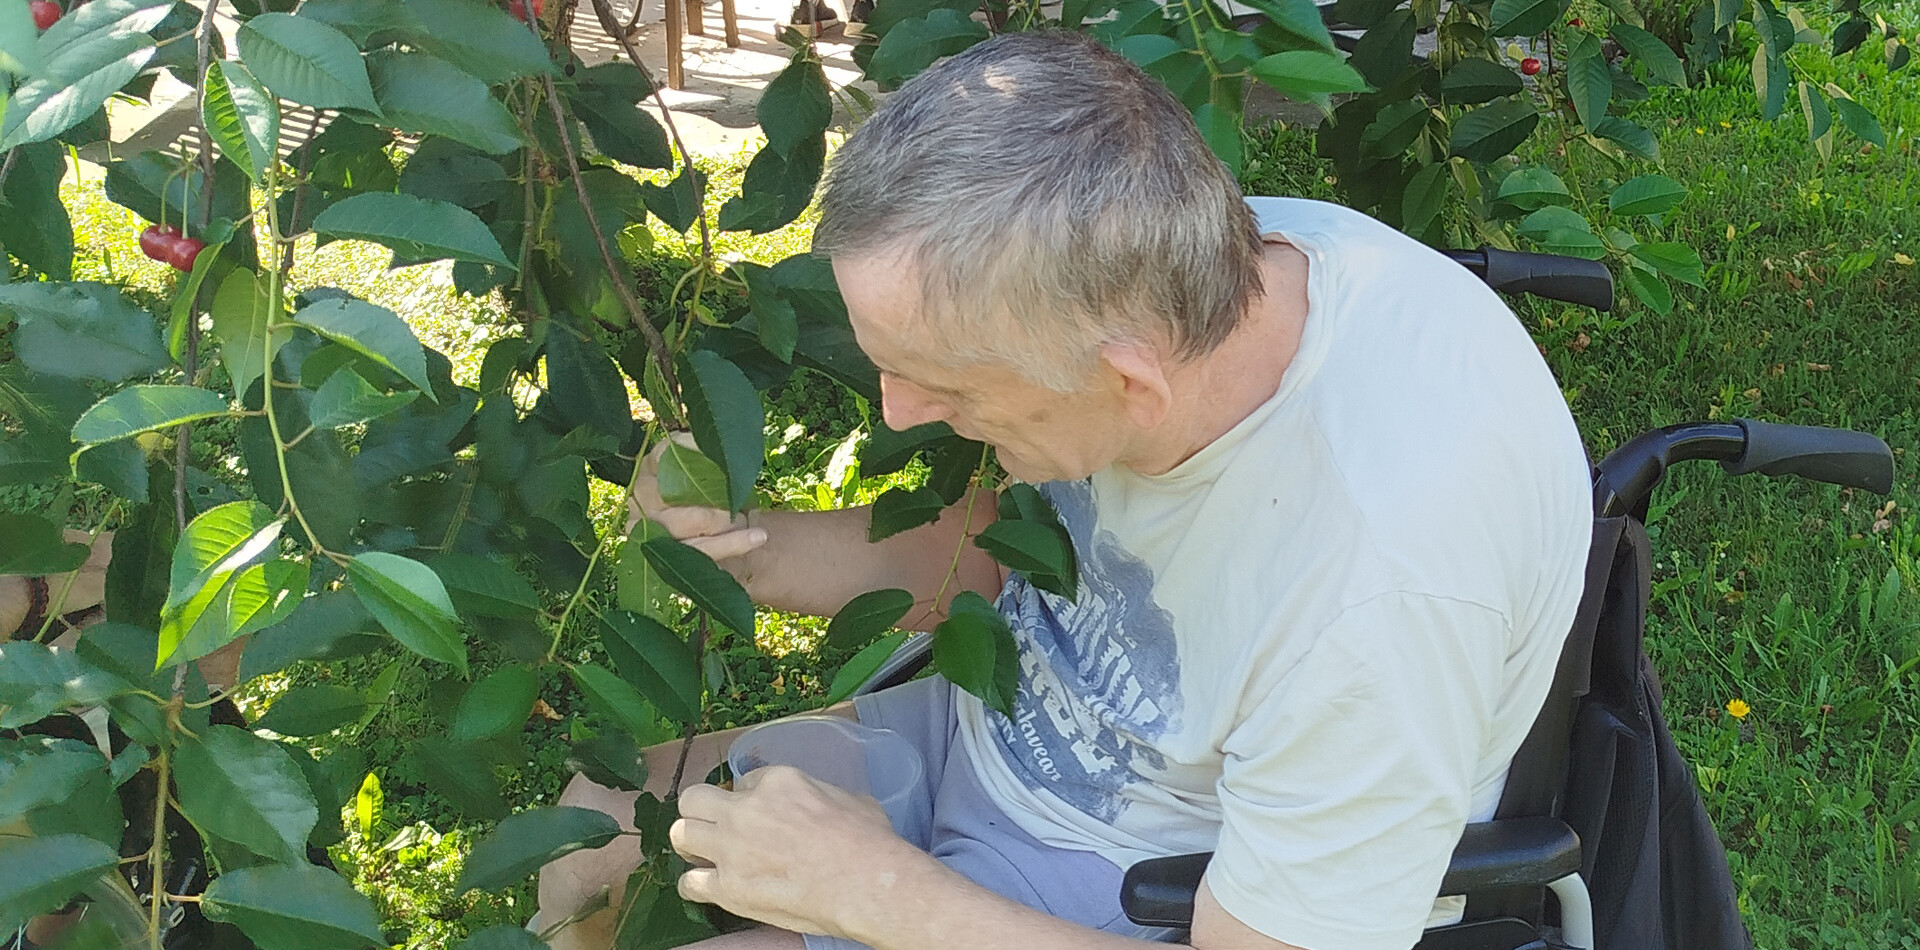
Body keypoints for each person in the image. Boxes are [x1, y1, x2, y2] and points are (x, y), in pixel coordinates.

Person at [535, 30, 1592, 950]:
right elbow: (1003, 557)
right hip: (989, 736)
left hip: (1139, 886)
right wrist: (740, 546)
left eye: (941, 381)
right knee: (589, 837)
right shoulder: (1199, 271)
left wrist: (874, 891)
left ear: (1125, 378)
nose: (896, 410)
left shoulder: (1382, 590)